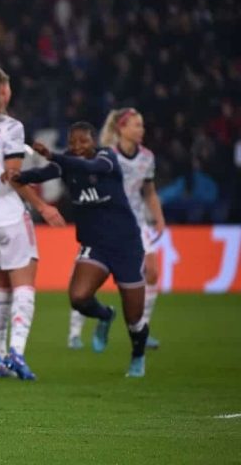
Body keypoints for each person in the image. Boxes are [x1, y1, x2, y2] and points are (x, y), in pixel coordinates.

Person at [6, 122, 150, 377]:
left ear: (93, 141)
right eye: (73, 143)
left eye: (83, 142)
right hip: (95, 245)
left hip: (126, 245)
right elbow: (39, 174)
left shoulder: (106, 157)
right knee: (78, 298)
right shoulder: (67, 162)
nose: (78, 147)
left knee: (135, 318)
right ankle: (105, 314)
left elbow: (90, 167)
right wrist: (18, 176)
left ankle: (138, 356)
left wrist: (53, 155)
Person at [0, 66, 66, 380]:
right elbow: (12, 176)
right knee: (23, 286)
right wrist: (41, 205)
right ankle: (17, 354)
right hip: (7, 215)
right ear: (2, 91)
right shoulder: (11, 128)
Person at [67, 108, 166, 350]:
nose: (141, 129)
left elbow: (149, 191)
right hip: (107, 223)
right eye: (136, 125)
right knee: (87, 282)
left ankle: (141, 326)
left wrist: (159, 218)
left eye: (141, 125)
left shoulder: (147, 157)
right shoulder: (106, 156)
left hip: (136, 223)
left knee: (152, 272)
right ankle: (75, 332)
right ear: (121, 128)